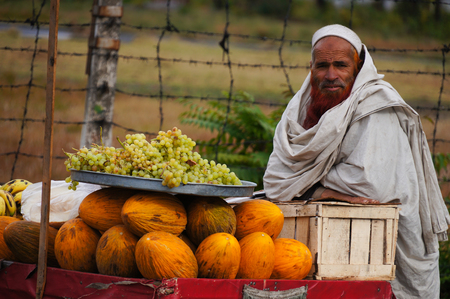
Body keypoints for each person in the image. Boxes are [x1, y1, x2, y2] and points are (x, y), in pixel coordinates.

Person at [263, 24, 450, 298]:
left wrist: (308, 183)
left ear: (359, 66)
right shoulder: (300, 108)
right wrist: (324, 192)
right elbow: (276, 178)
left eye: (341, 65)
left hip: (387, 245)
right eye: (322, 65)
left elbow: (372, 185)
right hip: (319, 251)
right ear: (311, 67)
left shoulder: (376, 106)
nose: (330, 75)